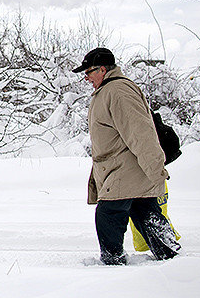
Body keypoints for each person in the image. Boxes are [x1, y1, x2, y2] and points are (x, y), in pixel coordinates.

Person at [73, 47, 181, 265]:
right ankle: (172, 258)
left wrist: (155, 167)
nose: (86, 78)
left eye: (89, 72)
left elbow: (140, 131)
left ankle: (113, 264)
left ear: (103, 69)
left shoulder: (118, 91)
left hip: (125, 170)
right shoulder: (108, 91)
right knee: (144, 212)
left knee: (108, 215)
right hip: (124, 169)